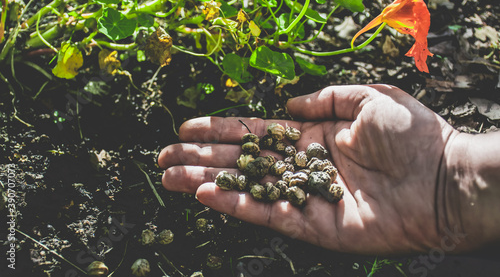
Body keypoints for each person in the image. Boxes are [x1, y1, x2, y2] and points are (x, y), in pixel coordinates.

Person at [158, 84, 500, 254]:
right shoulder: (293, 164)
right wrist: (451, 166)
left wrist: (448, 165)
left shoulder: (300, 167)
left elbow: (296, 170)